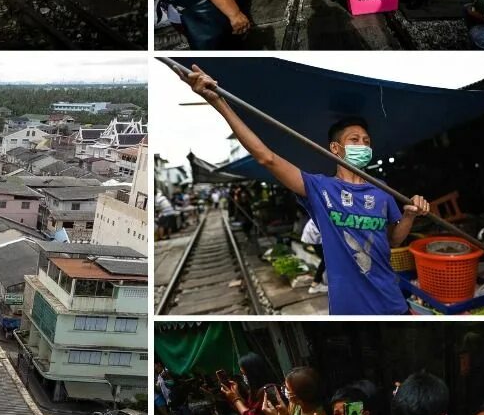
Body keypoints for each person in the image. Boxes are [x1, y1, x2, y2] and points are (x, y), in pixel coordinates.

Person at [183, 65, 431, 314]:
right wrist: (219, 102)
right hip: (350, 308)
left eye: (366, 141)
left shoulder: (382, 190)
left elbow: (392, 239)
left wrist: (409, 215)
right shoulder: (319, 187)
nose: (363, 145)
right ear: (335, 149)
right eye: (354, 140)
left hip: (392, 301)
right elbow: (266, 157)